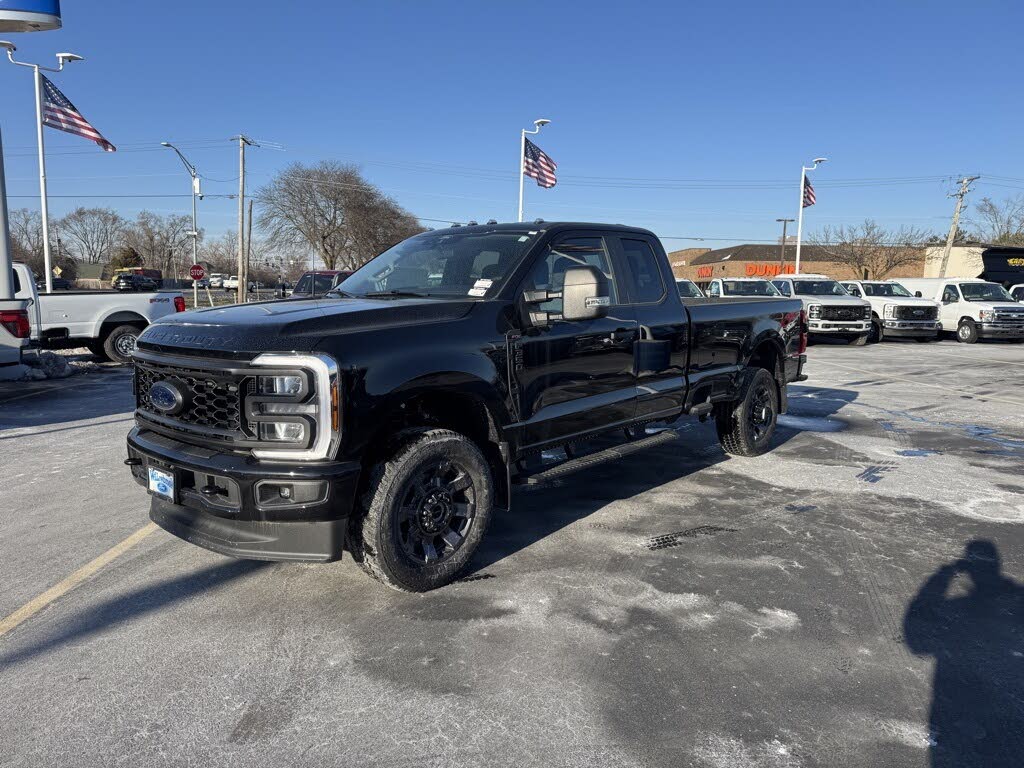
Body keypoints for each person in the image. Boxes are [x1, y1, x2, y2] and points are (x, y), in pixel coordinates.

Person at [903, 540, 1024, 767]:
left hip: (962, 707)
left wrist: (943, 575)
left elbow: (917, 642)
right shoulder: (1018, 600)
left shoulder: (957, 608)